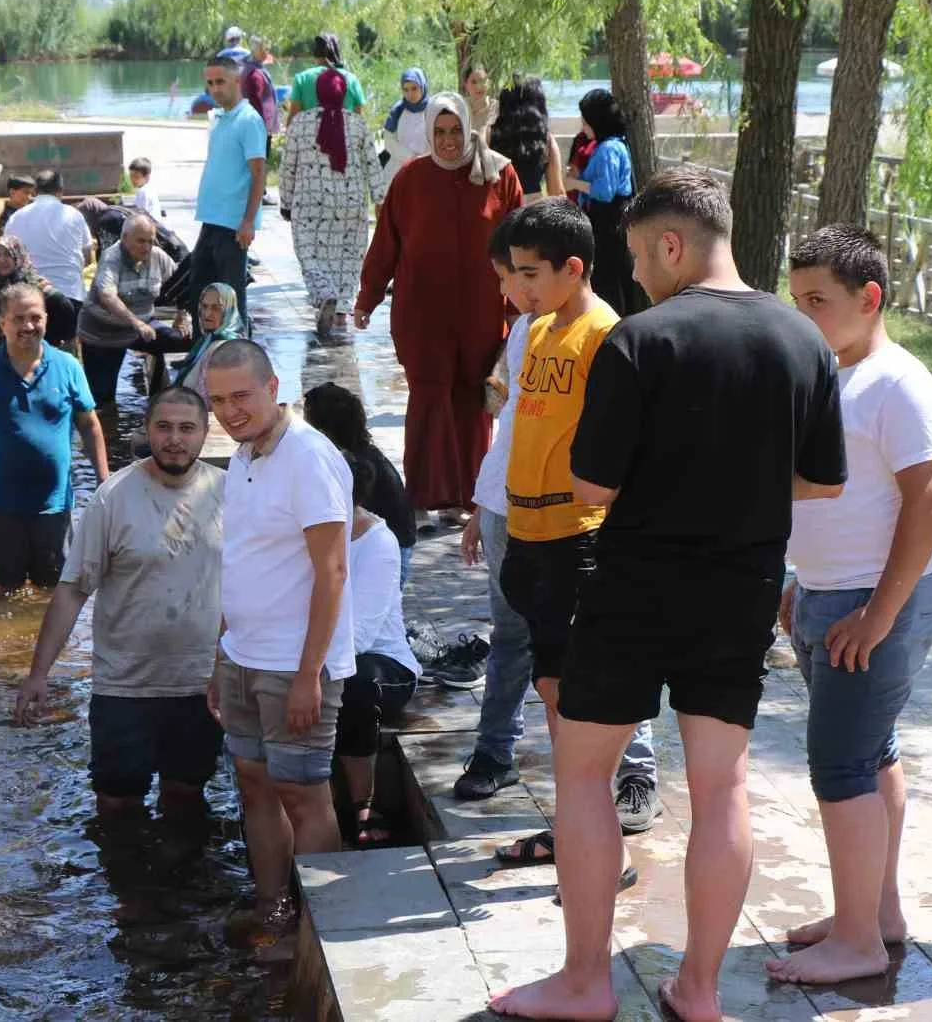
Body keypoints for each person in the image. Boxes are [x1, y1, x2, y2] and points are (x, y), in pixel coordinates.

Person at [487, 167, 845, 1022]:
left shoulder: (640, 340)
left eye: (640, 256)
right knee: (722, 786)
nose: (636, 276)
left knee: (583, 774)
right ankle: (700, 988)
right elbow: (822, 482)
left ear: (674, 244)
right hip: (743, 588)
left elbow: (593, 489)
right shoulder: (804, 340)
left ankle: (584, 983)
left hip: (636, 585)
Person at [768, 225, 932, 984]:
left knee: (840, 765)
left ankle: (859, 944)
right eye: (796, 300)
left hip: (875, 605)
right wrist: (795, 580)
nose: (803, 315)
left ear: (869, 299)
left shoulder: (897, 381)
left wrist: (878, 612)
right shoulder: (828, 375)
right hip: (824, 595)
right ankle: (874, 913)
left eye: (819, 301)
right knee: (871, 756)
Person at [455, 213, 661, 838]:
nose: (516, 287)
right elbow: (522, 424)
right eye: (511, 272)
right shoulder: (534, 330)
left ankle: (620, 792)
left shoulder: (608, 337)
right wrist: (486, 501)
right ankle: (565, 809)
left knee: (593, 676)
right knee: (544, 675)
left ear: (572, 269)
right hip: (522, 526)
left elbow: (622, 449)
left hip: (581, 537)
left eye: (526, 273)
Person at [204, 339, 355, 934]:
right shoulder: (242, 456)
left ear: (272, 388)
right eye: (217, 400)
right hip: (243, 656)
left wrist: (308, 675)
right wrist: (221, 655)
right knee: (254, 784)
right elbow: (240, 562)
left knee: (303, 793)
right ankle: (274, 908)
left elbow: (334, 571)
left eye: (241, 396)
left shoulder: (308, 458)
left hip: (295, 665)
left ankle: (329, 932)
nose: (229, 411)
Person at [15, 387, 225, 812]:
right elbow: (73, 590)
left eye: (187, 429)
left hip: (202, 684)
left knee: (186, 795)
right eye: (163, 427)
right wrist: (39, 674)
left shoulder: (230, 493)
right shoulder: (114, 496)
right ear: (147, 430)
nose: (174, 439)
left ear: (204, 433)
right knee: (116, 801)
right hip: (124, 685)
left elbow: (256, 589)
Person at [355, 92, 521, 531]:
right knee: (429, 399)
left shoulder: (499, 175)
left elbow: (521, 243)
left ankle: (467, 497)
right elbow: (386, 245)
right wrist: (367, 299)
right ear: (429, 133)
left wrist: (525, 304)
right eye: (439, 133)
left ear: (468, 129)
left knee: (472, 402)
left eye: (455, 132)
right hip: (421, 315)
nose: (448, 142)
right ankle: (424, 496)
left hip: (481, 314)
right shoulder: (410, 179)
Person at [0, 285, 110, 592]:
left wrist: (104, 479)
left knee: (53, 591)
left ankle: (40, 642)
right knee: (4, 593)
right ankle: (10, 642)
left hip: (52, 506)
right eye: (18, 319)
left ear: (46, 319)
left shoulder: (68, 367)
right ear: (2, 323)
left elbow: (90, 425)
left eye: (35, 317)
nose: (28, 326)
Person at [334, 451, 422, 846]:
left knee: (355, 682)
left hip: (383, 665)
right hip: (319, 654)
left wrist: (300, 670)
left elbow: (359, 638)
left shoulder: (378, 543)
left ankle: (362, 803)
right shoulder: (299, 533)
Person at [281, 68, 384, 335]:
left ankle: (324, 294)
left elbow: (288, 167)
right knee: (348, 257)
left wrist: (285, 201)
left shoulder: (300, 124)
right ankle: (341, 311)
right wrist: (380, 199)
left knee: (310, 255)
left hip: (309, 204)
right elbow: (373, 165)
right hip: (351, 204)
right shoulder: (359, 125)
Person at [302, 382, 417, 583]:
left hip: (387, 550)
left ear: (322, 428)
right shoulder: (360, 453)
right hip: (389, 542)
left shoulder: (356, 465)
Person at [82, 215, 194, 408]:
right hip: (102, 332)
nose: (146, 247)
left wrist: (182, 315)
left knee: (184, 341)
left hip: (142, 325)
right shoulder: (112, 257)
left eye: (150, 241)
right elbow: (107, 297)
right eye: (140, 241)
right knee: (102, 399)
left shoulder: (157, 256)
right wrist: (136, 323)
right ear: (125, 238)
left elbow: (180, 285)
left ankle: (158, 400)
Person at [192, 54, 268, 332]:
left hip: (233, 224)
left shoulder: (248, 120)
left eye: (220, 82)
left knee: (231, 298)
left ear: (237, 81)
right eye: (210, 83)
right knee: (199, 291)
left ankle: (239, 362)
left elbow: (259, 173)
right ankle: (203, 357)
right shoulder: (221, 118)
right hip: (211, 219)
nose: (214, 89)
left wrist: (248, 221)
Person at [4, 168, 96, 345]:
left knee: (31, 353)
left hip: (30, 299)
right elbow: (88, 258)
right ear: (60, 192)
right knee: (67, 355)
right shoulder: (74, 216)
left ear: (35, 192)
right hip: (71, 297)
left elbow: (7, 260)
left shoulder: (16, 218)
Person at [566, 88, 636, 317]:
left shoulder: (607, 149)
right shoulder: (616, 144)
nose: (583, 127)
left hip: (608, 221)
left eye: (586, 122)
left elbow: (604, 191)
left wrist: (575, 184)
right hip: (612, 220)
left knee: (608, 279)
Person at [0, 235, 78, 351]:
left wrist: (55, 341)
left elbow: (62, 305)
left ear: (18, 256)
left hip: (30, 353)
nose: (1, 260)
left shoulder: (33, 284)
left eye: (7, 255)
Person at [487, 77, 566, 204]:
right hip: (532, 211)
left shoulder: (490, 135)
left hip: (500, 209)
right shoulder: (546, 140)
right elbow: (557, 192)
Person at [174, 282, 247, 393]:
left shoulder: (221, 348)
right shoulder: (207, 339)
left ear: (228, 311)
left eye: (216, 308)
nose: (207, 314)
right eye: (204, 306)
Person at [287, 32, 365, 118]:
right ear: (338, 52)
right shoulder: (352, 79)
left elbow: (293, 116)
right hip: (343, 130)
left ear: (316, 54)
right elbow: (359, 116)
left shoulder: (302, 78)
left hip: (310, 130)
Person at [380, 68, 431, 196]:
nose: (410, 94)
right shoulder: (397, 111)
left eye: (414, 88)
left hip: (428, 168)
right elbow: (388, 140)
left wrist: (423, 160)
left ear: (423, 86)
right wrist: (410, 157)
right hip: (399, 168)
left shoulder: (433, 109)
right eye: (406, 89)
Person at [242, 36, 281, 156]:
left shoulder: (253, 68)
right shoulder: (254, 74)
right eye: (265, 49)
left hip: (260, 126)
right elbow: (255, 103)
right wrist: (262, 127)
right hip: (259, 128)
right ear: (257, 51)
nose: (267, 52)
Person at [462, 64, 495, 134]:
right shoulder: (459, 106)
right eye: (474, 82)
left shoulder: (496, 107)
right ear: (465, 85)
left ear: (489, 83)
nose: (479, 87)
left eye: (483, 81)